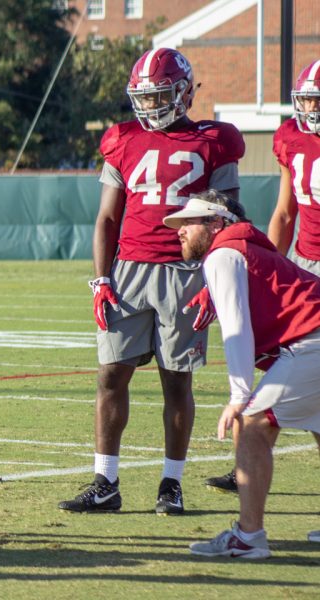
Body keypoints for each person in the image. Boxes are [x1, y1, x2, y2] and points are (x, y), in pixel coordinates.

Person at [57, 48, 245, 515]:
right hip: (129, 270)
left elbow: (231, 216)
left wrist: (214, 280)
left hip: (186, 273)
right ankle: (106, 481)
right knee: (109, 376)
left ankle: (171, 484)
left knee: (176, 382)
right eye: (144, 96)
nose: (150, 105)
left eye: (159, 95)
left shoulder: (215, 140)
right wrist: (101, 279)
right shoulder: (123, 138)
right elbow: (106, 218)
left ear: (183, 92)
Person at [159, 190, 320, 558]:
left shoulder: (224, 253)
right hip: (313, 338)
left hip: (313, 341)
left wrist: (238, 397)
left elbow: (236, 328)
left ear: (217, 222)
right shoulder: (245, 248)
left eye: (189, 222)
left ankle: (248, 538)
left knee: (251, 425)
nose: (179, 231)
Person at [204, 58, 320, 496]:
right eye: (306, 99)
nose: (310, 108)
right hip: (305, 264)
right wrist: (270, 266)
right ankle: (245, 467)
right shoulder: (292, 137)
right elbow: (285, 211)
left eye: (317, 100)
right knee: (285, 370)